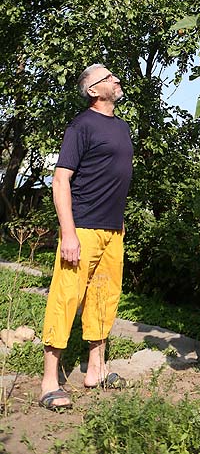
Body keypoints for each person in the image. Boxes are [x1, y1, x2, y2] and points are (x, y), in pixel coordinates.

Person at [39, 64, 133, 409]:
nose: (116, 79)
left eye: (114, 75)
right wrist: (68, 233)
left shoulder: (121, 127)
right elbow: (61, 180)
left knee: (104, 298)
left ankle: (96, 369)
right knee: (65, 299)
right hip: (82, 229)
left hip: (113, 229)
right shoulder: (81, 126)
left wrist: (118, 224)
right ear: (94, 90)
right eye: (109, 77)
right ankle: (50, 380)